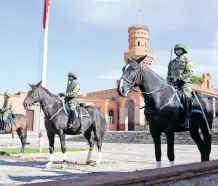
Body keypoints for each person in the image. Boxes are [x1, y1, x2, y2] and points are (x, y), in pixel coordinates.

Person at [167, 44, 194, 129]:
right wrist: (169, 79)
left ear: (183, 50)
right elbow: (168, 74)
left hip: (184, 84)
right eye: (176, 49)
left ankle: (187, 118)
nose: (177, 51)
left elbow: (189, 73)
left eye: (179, 49)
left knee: (186, 96)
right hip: (172, 85)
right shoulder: (171, 62)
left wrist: (180, 80)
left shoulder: (188, 61)